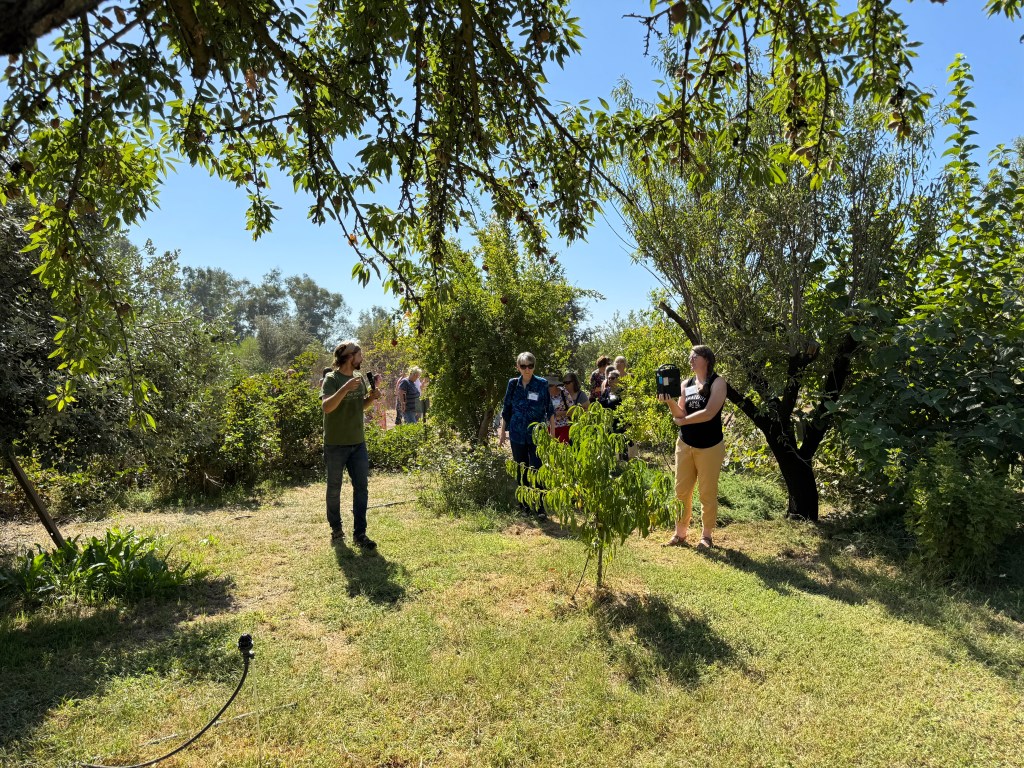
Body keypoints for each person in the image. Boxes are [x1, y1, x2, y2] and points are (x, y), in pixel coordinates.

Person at [657, 344, 728, 550]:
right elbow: (680, 413)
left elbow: (709, 413)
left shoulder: (718, 383)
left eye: (694, 356)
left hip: (710, 447)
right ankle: (680, 534)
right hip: (685, 444)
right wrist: (669, 401)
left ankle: (706, 536)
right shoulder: (686, 384)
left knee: (707, 493)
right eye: (690, 356)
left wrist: (683, 421)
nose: (691, 359)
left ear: (706, 359)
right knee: (681, 491)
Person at [321, 339, 382, 549]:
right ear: (349, 357)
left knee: (361, 488)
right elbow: (327, 407)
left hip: (358, 443)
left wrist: (372, 398)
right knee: (334, 489)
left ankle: (360, 534)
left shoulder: (359, 378)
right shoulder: (331, 379)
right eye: (359, 354)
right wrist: (345, 388)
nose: (362, 358)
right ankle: (336, 529)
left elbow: (360, 406)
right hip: (335, 445)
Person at [499, 352, 555, 519]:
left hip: (536, 433)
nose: (527, 369)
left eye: (530, 366)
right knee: (521, 469)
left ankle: (540, 508)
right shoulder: (513, 384)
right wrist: (502, 434)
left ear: (534, 367)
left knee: (537, 469)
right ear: (518, 367)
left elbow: (549, 409)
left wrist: (552, 433)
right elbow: (506, 409)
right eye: (523, 366)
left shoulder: (541, 383)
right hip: (517, 433)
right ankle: (524, 505)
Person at [548, 377, 572, 443]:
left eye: (550, 385)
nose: (548, 387)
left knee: (563, 446)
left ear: (555, 385)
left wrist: (560, 413)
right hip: (549, 426)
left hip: (564, 425)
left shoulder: (564, 393)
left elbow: (572, 410)